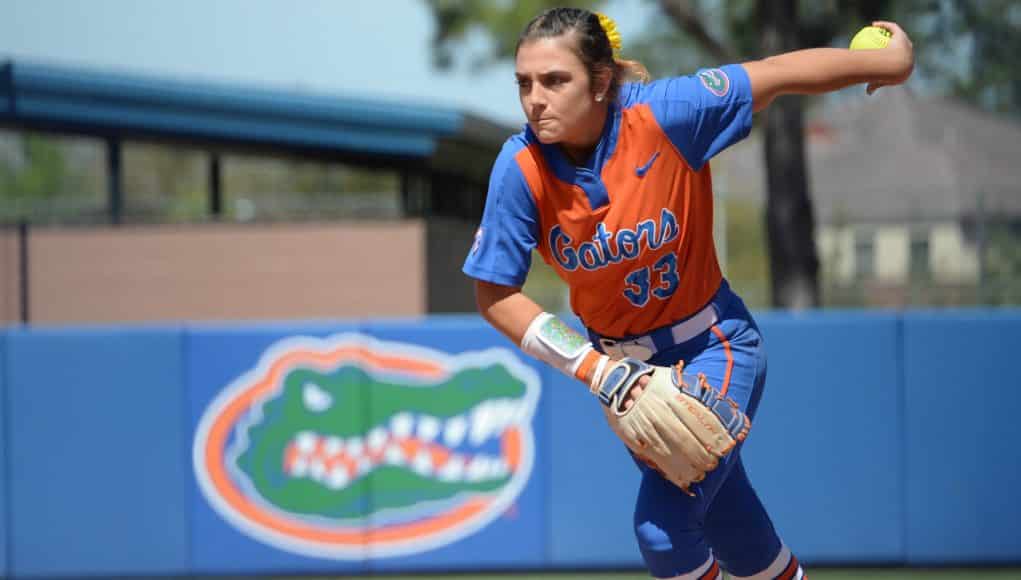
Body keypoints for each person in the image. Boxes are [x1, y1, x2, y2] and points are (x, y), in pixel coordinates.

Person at [462, 7, 913, 579]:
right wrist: (596, 370)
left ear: (601, 82)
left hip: (713, 347)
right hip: (627, 380)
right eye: (525, 83)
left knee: (663, 530)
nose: (535, 99)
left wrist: (884, 61)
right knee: (742, 542)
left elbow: (777, 71)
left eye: (556, 80)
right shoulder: (520, 166)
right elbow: (495, 293)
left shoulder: (667, 113)